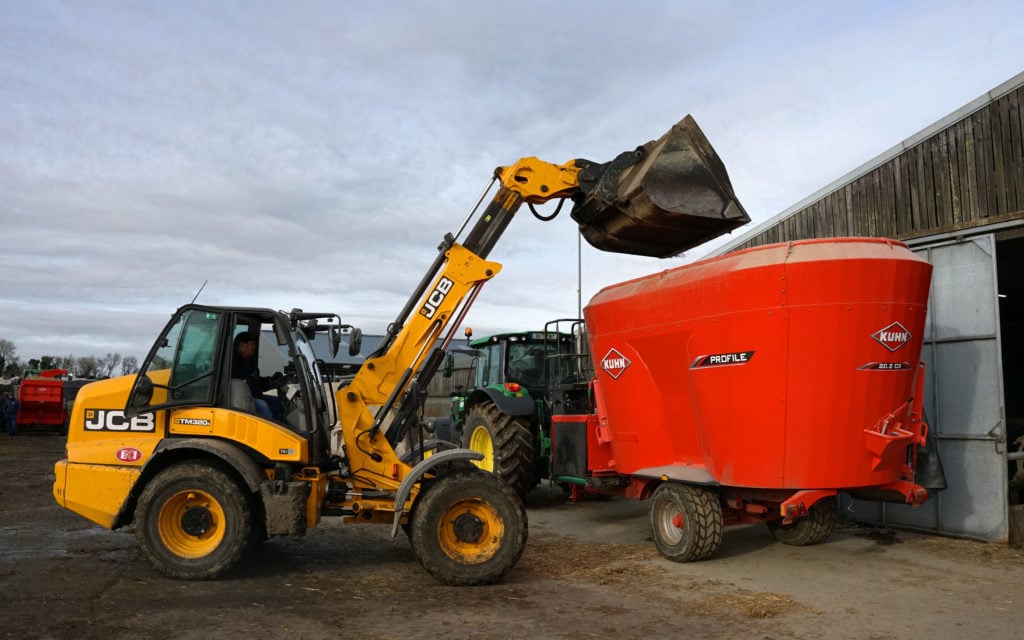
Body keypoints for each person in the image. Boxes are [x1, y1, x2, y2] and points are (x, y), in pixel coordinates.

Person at [231, 332, 286, 421]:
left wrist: (272, 380)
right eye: (251, 344)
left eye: (254, 344)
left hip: (255, 395)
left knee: (278, 402)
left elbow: (257, 381)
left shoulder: (250, 363)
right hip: (243, 398)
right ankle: (268, 430)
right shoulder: (233, 365)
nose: (254, 347)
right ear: (242, 346)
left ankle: (282, 425)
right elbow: (250, 384)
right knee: (262, 405)